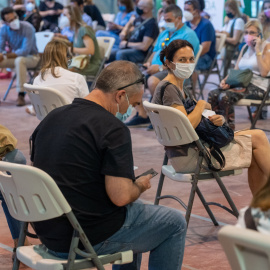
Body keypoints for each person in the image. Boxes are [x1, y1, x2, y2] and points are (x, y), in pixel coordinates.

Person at [30, 60, 187, 270]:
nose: (131, 110)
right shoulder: (113, 129)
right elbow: (120, 196)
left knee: (137, 211)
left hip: (48, 230)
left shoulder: (53, 117)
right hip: (86, 236)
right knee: (174, 222)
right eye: (132, 104)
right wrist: (139, 185)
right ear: (120, 95)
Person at [152, 39, 270, 196]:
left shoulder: (179, 86)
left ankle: (260, 207)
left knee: (255, 144)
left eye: (191, 59)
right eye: (182, 60)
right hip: (191, 156)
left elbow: (192, 119)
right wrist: (200, 105)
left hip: (187, 151)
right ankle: (260, 207)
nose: (188, 63)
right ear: (168, 63)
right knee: (258, 137)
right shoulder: (169, 90)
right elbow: (185, 126)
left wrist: (217, 119)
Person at [125, 4, 200, 127]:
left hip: (173, 70)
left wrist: (159, 68)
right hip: (154, 68)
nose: (166, 23)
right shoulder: (165, 33)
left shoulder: (188, 35)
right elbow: (155, 52)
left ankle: (161, 117)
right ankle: (143, 115)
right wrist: (148, 63)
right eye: (164, 20)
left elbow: (183, 62)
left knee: (153, 81)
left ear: (179, 19)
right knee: (128, 80)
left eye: (169, 20)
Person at [208, 20, 270, 130]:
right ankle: (214, 129)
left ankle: (227, 131)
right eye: (246, 32)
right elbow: (236, 69)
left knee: (225, 96)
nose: (248, 35)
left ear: (259, 34)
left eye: (252, 32)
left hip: (259, 88)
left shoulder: (266, 47)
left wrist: (257, 50)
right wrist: (225, 81)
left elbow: (264, 73)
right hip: (242, 84)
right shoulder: (245, 47)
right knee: (213, 94)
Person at [26, 39, 89, 116]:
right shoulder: (77, 78)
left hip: (47, 124)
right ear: (66, 57)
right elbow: (87, 107)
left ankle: (31, 109)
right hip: (72, 123)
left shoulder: (37, 80)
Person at [0, 7, 40, 106]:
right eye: (10, 20)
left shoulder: (28, 27)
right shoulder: (4, 29)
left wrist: (4, 55)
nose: (14, 21)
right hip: (15, 58)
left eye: (15, 17)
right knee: (17, 60)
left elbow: (25, 51)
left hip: (33, 57)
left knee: (20, 60)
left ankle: (21, 94)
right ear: (5, 22)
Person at [0, 125, 28, 260]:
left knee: (8, 196)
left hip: (7, 155)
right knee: (9, 196)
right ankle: (21, 242)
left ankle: (21, 242)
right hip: (10, 154)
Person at [61, 5, 101, 76]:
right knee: (59, 66)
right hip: (80, 62)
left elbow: (90, 50)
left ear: (72, 16)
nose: (62, 18)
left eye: (64, 15)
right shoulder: (75, 31)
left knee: (63, 70)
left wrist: (72, 49)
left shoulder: (84, 29)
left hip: (91, 65)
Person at [184, 0, 216, 87]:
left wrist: (189, 58)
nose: (185, 12)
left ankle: (190, 90)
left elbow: (205, 48)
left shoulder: (206, 25)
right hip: (190, 55)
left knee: (186, 64)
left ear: (197, 11)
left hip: (206, 57)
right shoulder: (186, 24)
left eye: (188, 10)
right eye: (184, 10)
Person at [219, 0, 245, 77]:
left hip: (233, 51)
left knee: (228, 72)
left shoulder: (238, 21)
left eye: (229, 11)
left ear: (235, 9)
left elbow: (234, 40)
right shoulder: (229, 21)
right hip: (226, 49)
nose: (227, 13)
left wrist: (222, 37)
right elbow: (223, 32)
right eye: (226, 11)